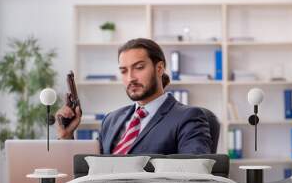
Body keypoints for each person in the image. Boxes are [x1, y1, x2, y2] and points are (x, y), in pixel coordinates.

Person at [56, 38, 212, 154]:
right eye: (123, 71)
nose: (130, 77)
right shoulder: (111, 120)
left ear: (159, 69)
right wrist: (66, 136)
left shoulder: (188, 117)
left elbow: (194, 175)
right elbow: (89, 169)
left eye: (139, 68)